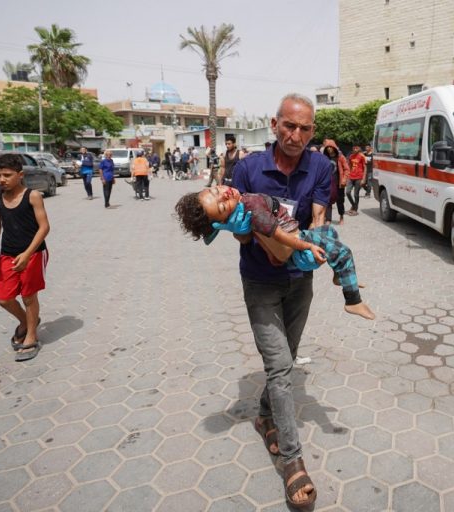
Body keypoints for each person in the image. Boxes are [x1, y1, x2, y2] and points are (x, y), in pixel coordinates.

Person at [212, 93, 330, 510]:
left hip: (301, 280)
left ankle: (265, 417)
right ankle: (293, 462)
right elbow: (240, 234)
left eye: (305, 129)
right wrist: (254, 230)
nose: (296, 135)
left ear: (312, 131)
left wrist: (314, 239)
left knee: (289, 355)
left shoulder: (321, 165)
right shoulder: (246, 169)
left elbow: (318, 216)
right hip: (260, 280)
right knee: (280, 367)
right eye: (289, 126)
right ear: (274, 124)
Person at [176, 185, 374, 319]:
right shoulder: (253, 211)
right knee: (344, 252)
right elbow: (279, 236)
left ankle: (339, 275)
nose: (223, 194)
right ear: (225, 218)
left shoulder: (243, 202)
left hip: (300, 234)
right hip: (297, 244)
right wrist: (306, 246)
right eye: (222, 206)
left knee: (329, 232)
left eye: (215, 190)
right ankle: (352, 300)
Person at [0, 153, 50, 362]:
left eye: (7, 175)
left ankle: (31, 335)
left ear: (20, 175)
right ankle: (26, 321)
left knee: (29, 296)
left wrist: (28, 253)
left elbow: (44, 227)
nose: (2, 179)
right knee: (4, 298)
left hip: (33, 253)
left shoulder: (32, 196)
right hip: (8, 254)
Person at [322, 143, 345, 225]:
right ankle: (328, 219)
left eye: (330, 147)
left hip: (338, 183)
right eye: (327, 147)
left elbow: (347, 169)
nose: (329, 149)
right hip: (328, 183)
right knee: (328, 200)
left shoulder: (340, 157)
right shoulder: (324, 158)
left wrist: (344, 180)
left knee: (340, 201)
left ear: (334, 148)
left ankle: (341, 216)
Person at [346, 145, 366, 215]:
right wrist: (348, 175)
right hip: (351, 177)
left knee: (356, 194)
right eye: (353, 148)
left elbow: (365, 167)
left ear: (359, 148)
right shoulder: (351, 156)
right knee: (347, 192)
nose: (355, 149)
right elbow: (349, 166)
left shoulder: (362, 156)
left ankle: (355, 209)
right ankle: (354, 205)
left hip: (359, 177)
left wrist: (364, 179)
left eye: (356, 148)